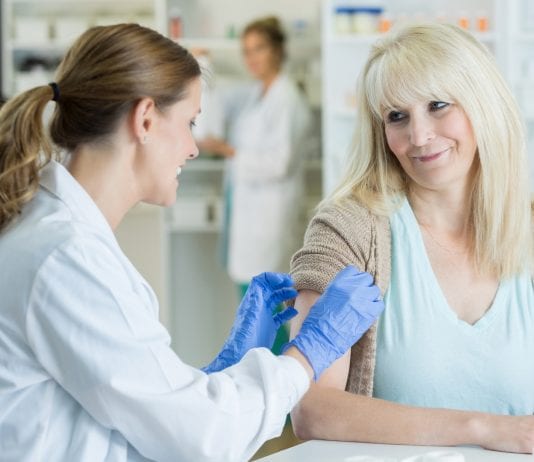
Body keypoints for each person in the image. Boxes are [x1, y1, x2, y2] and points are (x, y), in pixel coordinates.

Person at [0, 24, 385, 462]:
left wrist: (224, 370)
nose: (193, 148)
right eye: (190, 123)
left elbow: (146, 412)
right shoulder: (66, 258)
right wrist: (308, 352)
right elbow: (202, 437)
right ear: (145, 119)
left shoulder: (57, 232)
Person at [288, 22, 534, 454]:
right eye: (396, 117)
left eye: (438, 105)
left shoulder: (527, 224)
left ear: (484, 104)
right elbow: (311, 408)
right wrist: (483, 428)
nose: (418, 136)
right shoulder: (349, 230)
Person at [197, 16, 312, 297]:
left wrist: (227, 150)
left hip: (269, 219)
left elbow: (279, 164)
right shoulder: (255, 93)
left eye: (259, 48)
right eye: (246, 51)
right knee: (252, 299)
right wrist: (202, 66)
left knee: (266, 303)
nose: (251, 58)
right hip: (251, 215)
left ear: (277, 50)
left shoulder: (287, 99)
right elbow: (217, 98)